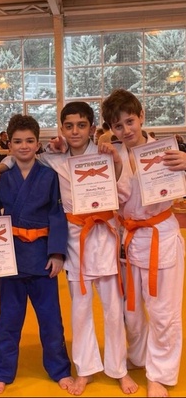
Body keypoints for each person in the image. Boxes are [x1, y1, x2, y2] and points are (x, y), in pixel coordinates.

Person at [0, 103, 138, 396]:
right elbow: (19, 157)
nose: (75, 131)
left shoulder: (105, 154)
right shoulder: (52, 159)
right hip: (73, 240)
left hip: (103, 236)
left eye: (81, 125)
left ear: (92, 128)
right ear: (61, 129)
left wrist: (116, 160)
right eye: (69, 126)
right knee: (79, 310)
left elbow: (123, 189)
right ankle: (85, 369)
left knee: (112, 309)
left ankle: (118, 369)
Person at [0, 114, 73, 394]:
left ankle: (60, 370)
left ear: (38, 143)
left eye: (30, 141)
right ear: (9, 144)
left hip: (42, 257)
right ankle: (2, 372)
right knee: (8, 318)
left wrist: (57, 253)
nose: (24, 146)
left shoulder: (49, 175)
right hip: (10, 257)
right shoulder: (0, 176)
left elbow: (57, 214)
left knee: (51, 319)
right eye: (17, 141)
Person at [101, 88, 185, 398]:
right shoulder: (113, 156)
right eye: (118, 125)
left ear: (142, 117)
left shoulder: (168, 152)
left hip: (160, 235)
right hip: (128, 238)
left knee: (163, 312)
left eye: (130, 121)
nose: (125, 130)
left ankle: (159, 374)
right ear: (111, 128)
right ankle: (138, 357)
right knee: (131, 311)